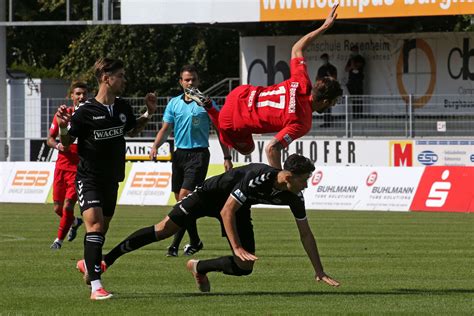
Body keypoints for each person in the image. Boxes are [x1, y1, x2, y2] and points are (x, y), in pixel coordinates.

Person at [90, 154, 339, 296]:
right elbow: (226, 210)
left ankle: (199, 267)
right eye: (304, 180)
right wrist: (236, 245)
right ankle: (106, 260)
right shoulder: (259, 178)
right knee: (164, 229)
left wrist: (319, 270)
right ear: (288, 177)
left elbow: (305, 234)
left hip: (238, 207)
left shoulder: (294, 195)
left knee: (245, 266)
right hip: (209, 196)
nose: (307, 185)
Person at [186, 5, 342, 169]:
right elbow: (271, 148)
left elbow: (297, 48)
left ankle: (211, 106)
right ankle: (210, 106)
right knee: (248, 149)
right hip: (234, 119)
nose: (333, 105)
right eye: (333, 102)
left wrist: (324, 26)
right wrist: (279, 181)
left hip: (241, 92)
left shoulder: (302, 81)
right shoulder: (303, 122)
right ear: (325, 100)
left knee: (230, 126)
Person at [55, 57, 157, 300]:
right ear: (105, 78)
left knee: (101, 231)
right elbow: (68, 142)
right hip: (88, 178)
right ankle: (96, 287)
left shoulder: (122, 107)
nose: (124, 80)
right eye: (120, 75)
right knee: (96, 226)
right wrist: (62, 127)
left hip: (112, 179)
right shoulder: (85, 111)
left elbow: (132, 130)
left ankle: (87, 266)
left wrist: (148, 112)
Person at [149, 64, 233, 257]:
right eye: (187, 80)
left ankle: (174, 245)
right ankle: (195, 240)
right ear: (181, 82)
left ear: (198, 81)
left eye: (193, 79)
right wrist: (155, 146)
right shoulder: (174, 103)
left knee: (183, 198)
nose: (190, 83)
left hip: (199, 155)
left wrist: (227, 157)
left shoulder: (207, 104)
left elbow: (221, 130)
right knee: (181, 201)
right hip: (179, 155)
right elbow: (165, 129)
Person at [48, 81, 88, 250]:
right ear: (71, 96)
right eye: (78, 93)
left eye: (84, 94)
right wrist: (58, 145)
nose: (81, 96)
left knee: (67, 206)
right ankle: (74, 222)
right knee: (58, 208)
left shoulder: (89, 115)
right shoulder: (62, 114)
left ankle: (58, 240)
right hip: (61, 167)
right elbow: (49, 139)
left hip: (77, 169)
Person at [316, 53, 338, 128]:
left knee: (328, 105)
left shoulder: (332, 68)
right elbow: (317, 79)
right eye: (322, 59)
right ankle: (326, 122)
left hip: (330, 90)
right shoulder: (321, 69)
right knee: (324, 106)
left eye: (325, 59)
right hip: (322, 90)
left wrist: (329, 76)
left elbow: (335, 78)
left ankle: (328, 121)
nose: (324, 61)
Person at [345, 44, 366, 119]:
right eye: (352, 50)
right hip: (352, 81)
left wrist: (352, 61)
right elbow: (346, 69)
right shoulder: (350, 60)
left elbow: (355, 67)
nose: (353, 52)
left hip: (358, 81)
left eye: (354, 50)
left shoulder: (361, 59)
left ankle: (359, 114)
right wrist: (351, 63)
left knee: (359, 98)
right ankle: (354, 114)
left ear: (357, 50)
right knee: (353, 98)